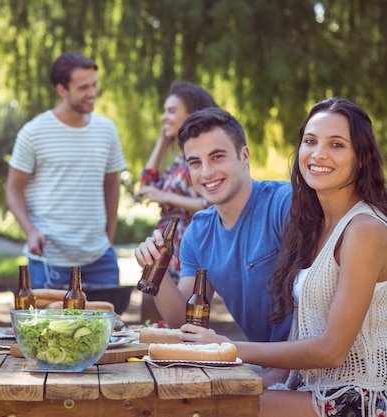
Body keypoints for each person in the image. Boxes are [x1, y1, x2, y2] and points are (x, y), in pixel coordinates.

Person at [227, 98, 387, 416]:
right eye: (310, 141)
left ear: (360, 159)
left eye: (337, 144)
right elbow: (307, 327)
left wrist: (225, 350)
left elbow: (331, 351)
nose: (318, 154)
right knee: (201, 395)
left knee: (215, 408)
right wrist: (266, 378)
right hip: (310, 389)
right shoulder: (312, 226)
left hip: (362, 399)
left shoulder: (366, 229)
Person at [134, 107, 293, 345]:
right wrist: (158, 269)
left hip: (310, 370)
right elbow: (184, 323)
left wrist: (278, 376)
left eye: (217, 157)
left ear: (245, 156)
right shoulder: (198, 233)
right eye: (195, 162)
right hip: (263, 367)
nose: (206, 173)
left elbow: (315, 305)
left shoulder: (283, 203)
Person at [6, 51, 127, 289]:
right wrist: (29, 231)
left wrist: (108, 237)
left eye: (94, 85)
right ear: (62, 90)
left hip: (100, 259)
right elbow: (13, 189)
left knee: (110, 327)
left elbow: (112, 185)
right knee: (45, 327)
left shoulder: (107, 130)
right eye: (83, 87)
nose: (92, 93)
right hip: (48, 262)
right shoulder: (33, 133)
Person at [135, 81, 217, 323]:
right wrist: (162, 142)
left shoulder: (205, 160)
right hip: (165, 246)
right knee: (151, 324)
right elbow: (145, 187)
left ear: (191, 115)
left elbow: (211, 204)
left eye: (171, 111)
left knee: (179, 324)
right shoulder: (180, 159)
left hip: (186, 248)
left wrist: (166, 197)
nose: (163, 118)